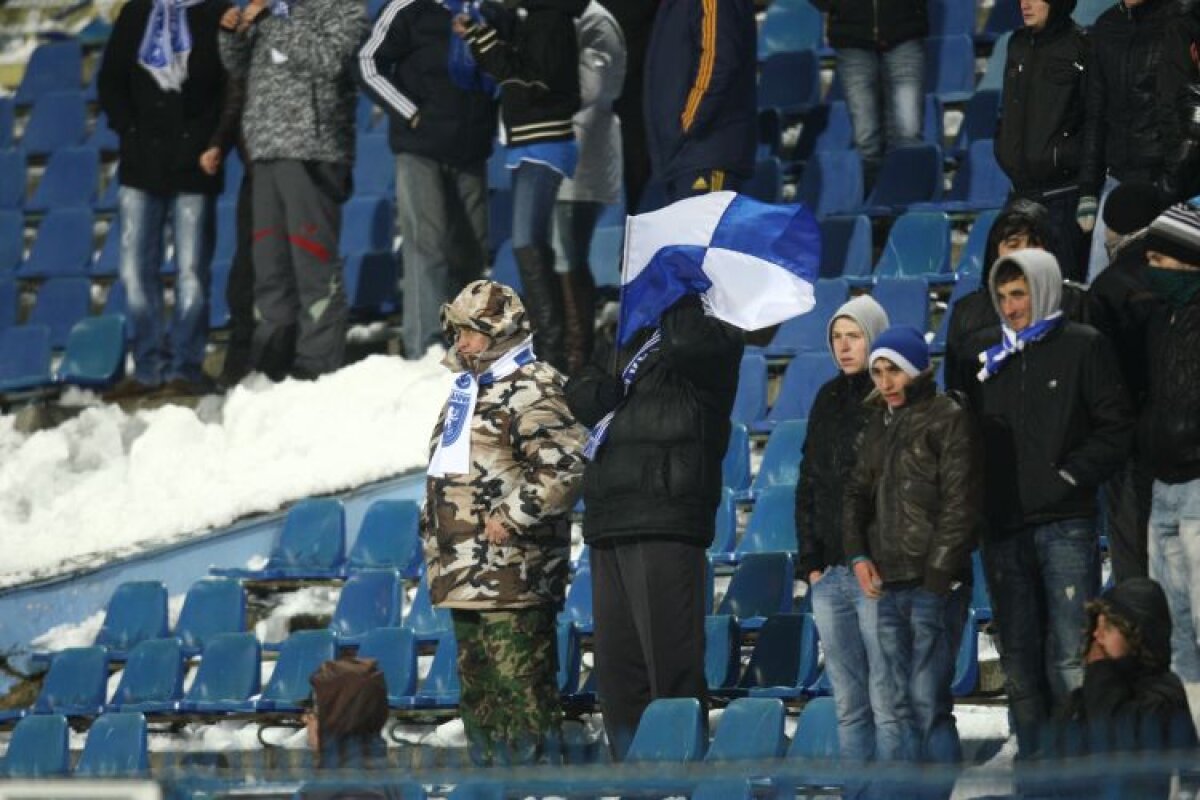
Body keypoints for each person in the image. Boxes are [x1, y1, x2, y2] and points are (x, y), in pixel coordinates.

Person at [565, 294, 743, 761]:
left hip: (667, 513)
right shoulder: (628, 333)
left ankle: (681, 777)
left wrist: (678, 294)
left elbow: (686, 343)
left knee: (671, 667)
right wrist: (592, 391)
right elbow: (580, 384)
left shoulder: (714, 326)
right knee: (617, 673)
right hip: (609, 517)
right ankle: (635, 781)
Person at [973, 248, 1134, 758]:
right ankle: (1035, 773)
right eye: (1002, 296)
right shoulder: (985, 357)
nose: (1010, 306)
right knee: (1018, 661)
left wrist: (1068, 477)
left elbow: (1115, 427)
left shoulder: (1084, 347)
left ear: (1043, 289)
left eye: (1019, 293)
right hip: (1002, 529)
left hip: (1065, 523)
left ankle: (1076, 772)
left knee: (1068, 659)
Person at [423, 280, 587, 766]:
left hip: (513, 577)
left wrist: (513, 517)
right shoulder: (469, 389)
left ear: (497, 331)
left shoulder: (535, 385)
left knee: (522, 705)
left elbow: (566, 464)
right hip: (465, 573)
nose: (460, 343)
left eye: (469, 332)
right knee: (481, 706)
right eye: (456, 332)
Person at [842, 325, 980, 797]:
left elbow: (960, 506)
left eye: (893, 371)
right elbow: (854, 496)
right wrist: (858, 554)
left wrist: (937, 580)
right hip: (889, 583)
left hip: (934, 585)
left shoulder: (948, 418)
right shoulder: (878, 425)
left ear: (916, 370)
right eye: (878, 372)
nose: (884, 382)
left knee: (928, 704)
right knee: (898, 705)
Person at [218, 0, 365, 381]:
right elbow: (238, 68)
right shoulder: (273, 10)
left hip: (313, 151)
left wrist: (272, 21)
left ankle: (317, 363)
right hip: (264, 149)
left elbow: (328, 58)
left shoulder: (344, 9)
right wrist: (232, 34)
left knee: (313, 262)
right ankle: (271, 358)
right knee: (270, 266)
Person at [98, 0, 231, 398]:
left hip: (195, 164)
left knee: (191, 272)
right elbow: (111, 81)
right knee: (136, 272)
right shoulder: (136, 13)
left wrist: (209, 141)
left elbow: (228, 86)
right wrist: (129, 132)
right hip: (141, 165)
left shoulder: (213, 12)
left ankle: (186, 368)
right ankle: (148, 367)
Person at [355, 0, 497, 362]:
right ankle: (427, 349)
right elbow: (366, 62)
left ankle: (469, 345)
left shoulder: (483, 8)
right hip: (421, 149)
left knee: (472, 251)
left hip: (471, 150)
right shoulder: (408, 8)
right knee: (427, 246)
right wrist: (410, 112)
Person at [796, 296, 895, 788]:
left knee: (886, 696)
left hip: (874, 570)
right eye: (837, 337)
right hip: (830, 573)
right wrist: (812, 562)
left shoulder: (891, 397)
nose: (843, 346)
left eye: (853, 335)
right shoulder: (826, 399)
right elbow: (808, 481)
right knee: (849, 702)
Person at [456, 0, 583, 371]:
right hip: (528, 142)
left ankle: (551, 349)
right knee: (529, 243)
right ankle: (547, 345)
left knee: (528, 241)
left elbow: (531, 80)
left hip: (544, 142)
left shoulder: (551, 21)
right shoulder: (537, 21)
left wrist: (482, 41)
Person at [1085, 181, 1170, 583]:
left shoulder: (1107, 288)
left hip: (1133, 446)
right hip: (1180, 440)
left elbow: (1103, 381)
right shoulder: (1182, 275)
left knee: (1135, 568)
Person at [1138, 203, 1200, 724]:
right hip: (1162, 484)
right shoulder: (1160, 319)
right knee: (1174, 632)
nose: (1151, 268)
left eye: (1161, 258)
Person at [1052, 578, 1198, 797]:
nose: (1096, 635)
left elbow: (1114, 740)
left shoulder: (1163, 696)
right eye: (1096, 626)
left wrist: (1100, 670)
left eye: (1108, 628)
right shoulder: (1083, 698)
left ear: (1138, 636)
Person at [553, 0, 625, 375]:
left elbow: (593, 88)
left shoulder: (596, 22)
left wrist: (543, 87)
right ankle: (571, 349)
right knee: (561, 252)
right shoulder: (566, 18)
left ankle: (578, 353)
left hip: (583, 150)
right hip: (560, 149)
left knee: (567, 251)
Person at [1077, 0, 1173, 281]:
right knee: (1098, 286)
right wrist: (1087, 189)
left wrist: (1177, 179)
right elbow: (1095, 115)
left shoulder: (1181, 23)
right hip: (1117, 181)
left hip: (1166, 182)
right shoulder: (1106, 27)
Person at [994, 0, 1090, 280]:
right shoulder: (1016, 44)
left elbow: (1094, 118)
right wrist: (1003, 146)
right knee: (1009, 286)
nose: (1025, 3)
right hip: (1019, 193)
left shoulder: (1082, 46)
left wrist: (1067, 157)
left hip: (1063, 196)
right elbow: (1007, 109)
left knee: (1062, 288)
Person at [943, 199, 1075, 396]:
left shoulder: (1076, 302)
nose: (1025, 252)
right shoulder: (966, 311)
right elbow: (957, 392)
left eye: (1035, 244)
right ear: (995, 250)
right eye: (1013, 244)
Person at [643, 0, 756, 203]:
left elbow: (718, 59)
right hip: (686, 155)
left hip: (705, 150)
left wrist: (688, 122)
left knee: (703, 235)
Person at [811, 0, 927, 187]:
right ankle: (874, 203)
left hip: (905, 31)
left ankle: (908, 201)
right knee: (865, 140)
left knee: (908, 134)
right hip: (851, 39)